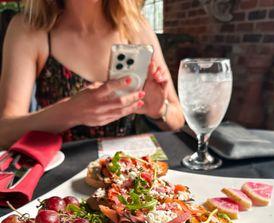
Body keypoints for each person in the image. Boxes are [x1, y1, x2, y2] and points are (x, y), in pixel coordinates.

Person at [0, 0, 185, 147]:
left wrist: (159, 110)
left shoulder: (136, 27)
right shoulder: (29, 28)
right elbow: (5, 132)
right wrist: (70, 112)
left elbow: (177, 119)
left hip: (125, 172)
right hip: (57, 179)